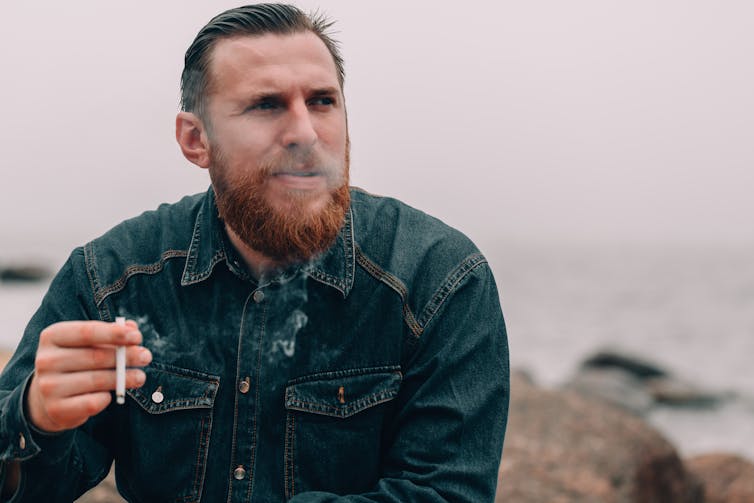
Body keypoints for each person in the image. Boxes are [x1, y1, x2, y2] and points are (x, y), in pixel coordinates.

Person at [0, 4, 509, 501]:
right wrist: (37, 418)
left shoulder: (439, 281)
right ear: (196, 140)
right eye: (267, 105)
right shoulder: (112, 279)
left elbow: (445, 492)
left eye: (322, 102)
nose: (306, 134)